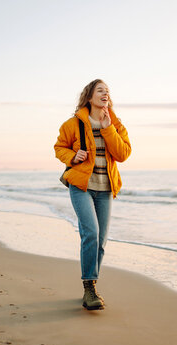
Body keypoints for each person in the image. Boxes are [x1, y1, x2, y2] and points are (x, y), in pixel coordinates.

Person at [54, 79, 131, 310]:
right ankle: (89, 288)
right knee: (91, 233)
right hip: (82, 186)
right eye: (100, 90)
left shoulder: (115, 124)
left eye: (107, 90)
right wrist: (72, 157)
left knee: (102, 241)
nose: (105, 93)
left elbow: (123, 154)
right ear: (89, 97)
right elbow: (60, 147)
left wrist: (108, 129)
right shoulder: (73, 124)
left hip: (106, 188)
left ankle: (92, 285)